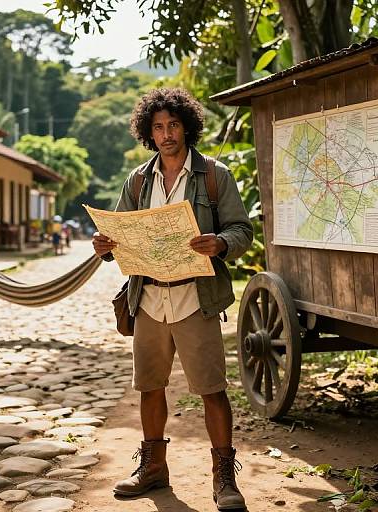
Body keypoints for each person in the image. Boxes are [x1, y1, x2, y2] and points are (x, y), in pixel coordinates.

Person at [92, 88, 253, 510]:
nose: (166, 134)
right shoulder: (138, 181)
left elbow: (242, 231)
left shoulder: (215, 176)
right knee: (149, 387)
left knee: (211, 389)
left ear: (187, 127)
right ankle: (153, 469)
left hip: (194, 298)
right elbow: (121, 236)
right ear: (149, 132)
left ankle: (223, 479)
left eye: (173, 125)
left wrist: (219, 242)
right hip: (147, 299)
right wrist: (106, 245)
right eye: (158, 127)